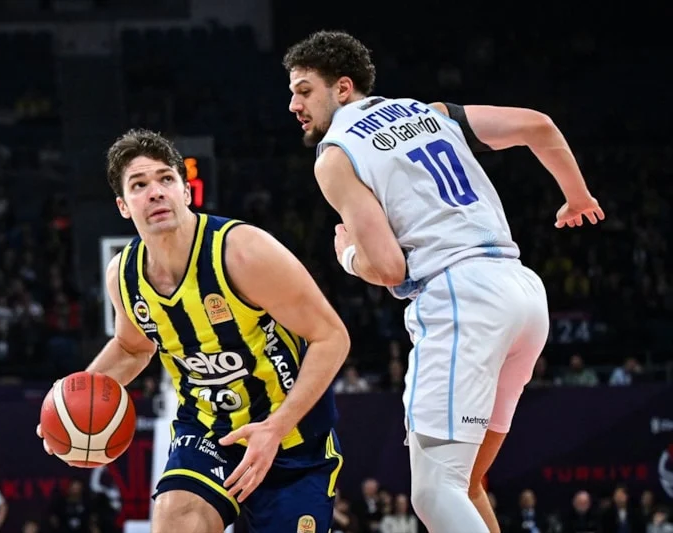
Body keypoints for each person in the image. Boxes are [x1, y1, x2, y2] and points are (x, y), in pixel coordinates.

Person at [283, 30, 604, 533]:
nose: (293, 105)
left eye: (304, 91)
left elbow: (389, 268)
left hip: (461, 299)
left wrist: (347, 255)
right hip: (522, 292)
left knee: (434, 494)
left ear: (342, 88)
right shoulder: (431, 112)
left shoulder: (336, 155)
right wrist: (577, 196)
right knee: (466, 483)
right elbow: (538, 126)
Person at [37, 129, 349, 533]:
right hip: (207, 430)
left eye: (166, 179)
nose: (155, 192)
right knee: (176, 519)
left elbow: (331, 337)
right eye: (139, 185)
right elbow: (133, 348)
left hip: (291, 434)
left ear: (185, 191)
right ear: (123, 206)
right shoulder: (124, 275)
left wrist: (276, 427)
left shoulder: (242, 252)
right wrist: (66, 406)